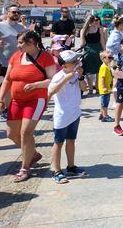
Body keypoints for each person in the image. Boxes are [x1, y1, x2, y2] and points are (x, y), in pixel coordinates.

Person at [0, 31, 58, 182]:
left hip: (36, 100)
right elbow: (7, 79)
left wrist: (37, 84)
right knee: (11, 133)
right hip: (17, 100)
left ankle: (25, 167)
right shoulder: (16, 56)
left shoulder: (45, 57)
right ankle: (33, 154)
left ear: (31, 42)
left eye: (21, 42)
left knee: (26, 133)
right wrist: (0, 98)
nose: (18, 45)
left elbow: (53, 79)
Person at [48, 50, 87, 184]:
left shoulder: (77, 74)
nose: (77, 63)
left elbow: (84, 88)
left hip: (74, 113)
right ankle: (56, 171)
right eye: (74, 61)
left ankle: (71, 166)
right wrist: (65, 78)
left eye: (77, 60)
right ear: (64, 65)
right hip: (62, 115)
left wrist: (81, 77)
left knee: (71, 140)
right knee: (58, 142)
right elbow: (51, 91)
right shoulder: (58, 76)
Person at [0, 5, 26, 77]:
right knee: (0, 86)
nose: (17, 14)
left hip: (17, 63)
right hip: (2, 63)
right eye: (14, 12)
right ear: (8, 13)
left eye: (18, 12)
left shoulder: (22, 28)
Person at [79, 15, 105, 95]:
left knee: (89, 72)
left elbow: (82, 44)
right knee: (98, 71)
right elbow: (102, 43)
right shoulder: (99, 29)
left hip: (88, 51)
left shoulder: (83, 30)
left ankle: (90, 90)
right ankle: (97, 89)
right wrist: (105, 52)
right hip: (98, 51)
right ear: (94, 21)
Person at [97, 51, 115, 122]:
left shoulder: (106, 66)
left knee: (104, 102)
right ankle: (105, 116)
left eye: (112, 57)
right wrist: (104, 86)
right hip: (105, 89)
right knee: (105, 103)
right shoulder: (104, 67)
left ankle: (102, 114)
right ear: (103, 58)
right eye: (109, 57)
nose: (111, 59)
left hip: (107, 88)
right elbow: (102, 78)